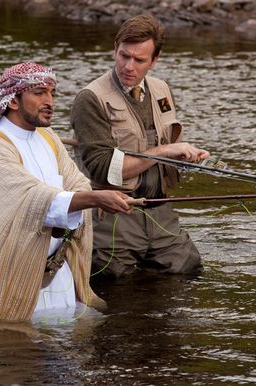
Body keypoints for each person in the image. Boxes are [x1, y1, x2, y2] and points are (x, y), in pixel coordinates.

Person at [0, 62, 133, 328]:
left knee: (71, 352)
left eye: (52, 93)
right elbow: (32, 199)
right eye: (39, 93)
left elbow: (75, 181)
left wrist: (94, 195)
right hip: (10, 276)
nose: (50, 101)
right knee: (14, 353)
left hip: (58, 273)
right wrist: (95, 198)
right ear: (13, 101)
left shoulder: (48, 138)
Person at [70, 15, 210, 278]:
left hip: (160, 212)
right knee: (111, 278)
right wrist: (162, 152)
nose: (128, 66)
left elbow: (168, 146)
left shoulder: (161, 90)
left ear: (155, 61)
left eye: (139, 60)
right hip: (111, 217)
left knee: (187, 269)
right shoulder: (90, 99)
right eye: (124, 56)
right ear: (115, 49)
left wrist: (186, 157)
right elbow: (102, 169)